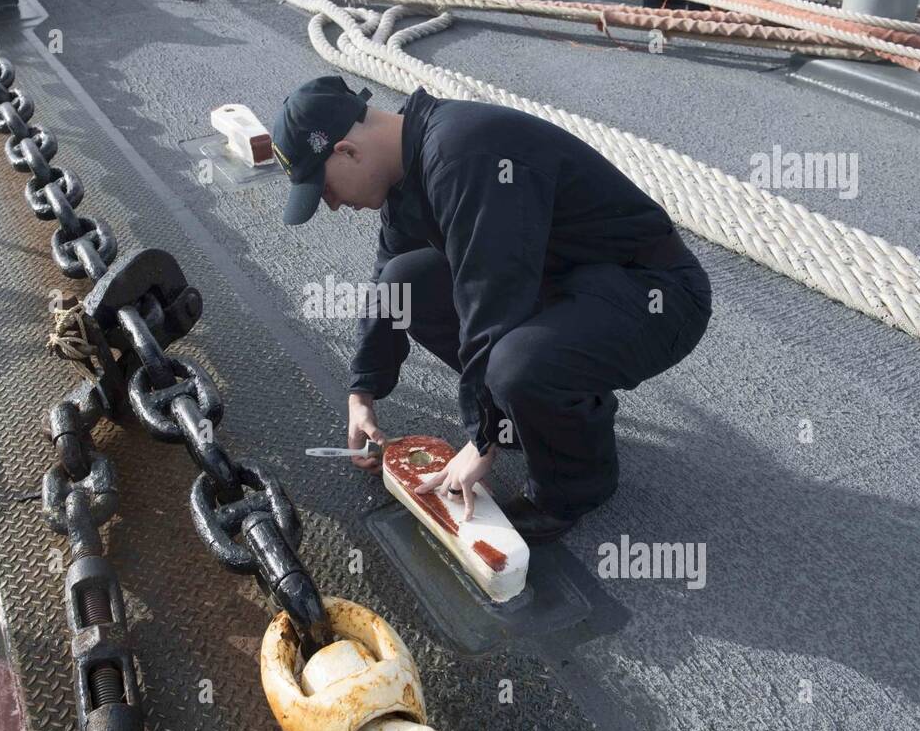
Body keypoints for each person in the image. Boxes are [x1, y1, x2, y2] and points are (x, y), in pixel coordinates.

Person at [271, 76, 712, 541]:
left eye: (325, 190)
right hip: (563, 282)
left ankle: (574, 486)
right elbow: (388, 288)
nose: (335, 205)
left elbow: (493, 303)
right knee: (402, 280)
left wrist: (483, 439)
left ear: (346, 151)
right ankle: (548, 415)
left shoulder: (465, 155)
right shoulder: (408, 166)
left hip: (653, 293)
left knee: (515, 365)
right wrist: (362, 392)